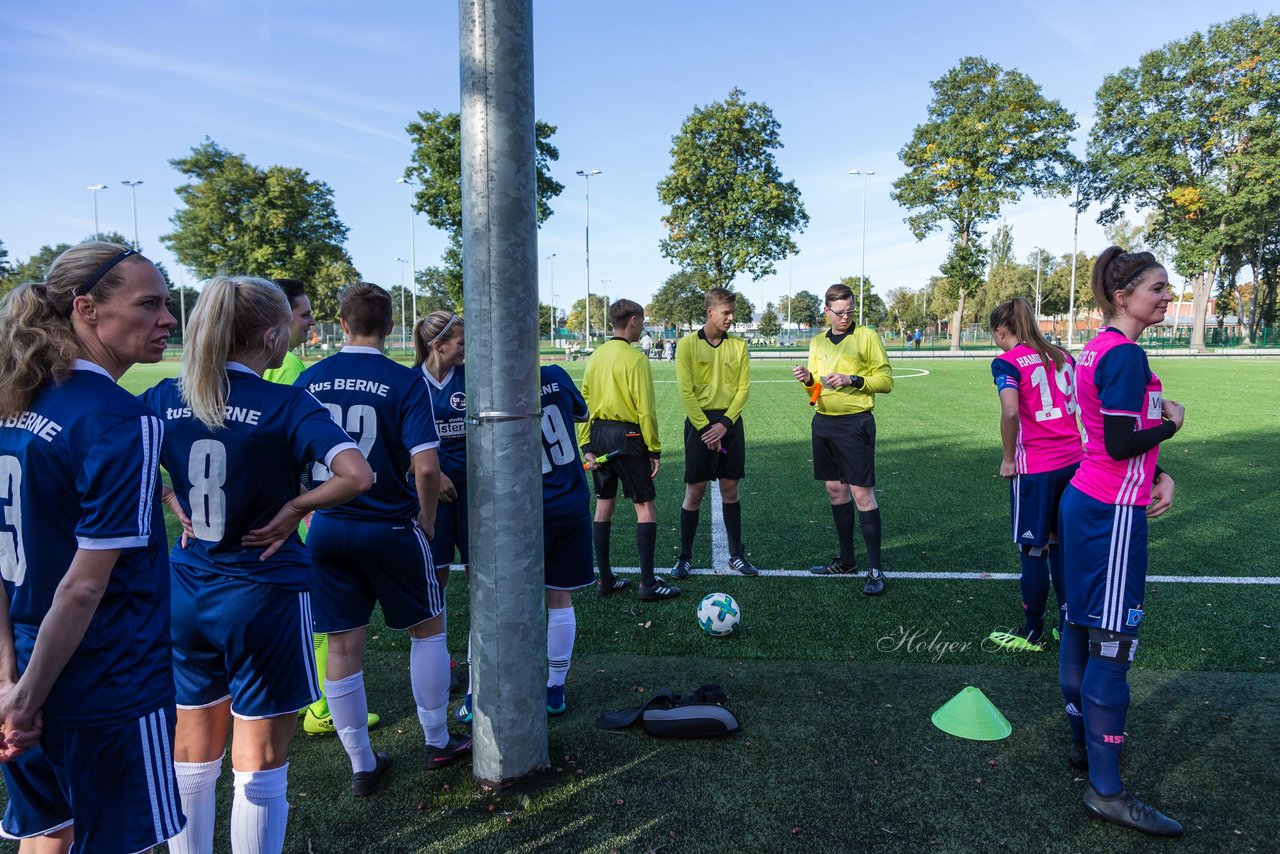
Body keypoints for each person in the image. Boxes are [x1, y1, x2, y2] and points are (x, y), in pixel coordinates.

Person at [142, 275, 373, 854]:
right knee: (259, 769)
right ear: (270, 336)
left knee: (191, 760)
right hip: (263, 594)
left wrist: (173, 501)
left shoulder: (163, 397)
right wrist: (295, 506)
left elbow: (125, 468)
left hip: (187, 589)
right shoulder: (285, 400)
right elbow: (357, 475)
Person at [0, 242, 184, 852]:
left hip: (26, 664)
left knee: (46, 835)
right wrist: (26, 700)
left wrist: (12, 684)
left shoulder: (15, 404)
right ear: (87, 309)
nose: (168, 319)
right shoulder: (118, 419)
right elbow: (84, 585)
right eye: (150, 304)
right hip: (107, 683)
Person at [299, 283, 469, 796]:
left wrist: (305, 510)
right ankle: (437, 740)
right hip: (391, 526)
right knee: (428, 630)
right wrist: (428, 518)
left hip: (327, 529)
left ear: (342, 324)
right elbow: (425, 465)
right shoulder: (402, 380)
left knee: (345, 646)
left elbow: (291, 458)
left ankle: (362, 763)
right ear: (392, 326)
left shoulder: (310, 378)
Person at [1057, 247, 1184, 837]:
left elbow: (1118, 435)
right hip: (1110, 513)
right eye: (1157, 288)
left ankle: (1086, 744)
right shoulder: (1127, 354)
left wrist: (1159, 470)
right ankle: (1106, 791)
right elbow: (1117, 442)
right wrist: (1174, 423)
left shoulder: (1100, 348)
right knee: (1111, 639)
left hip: (1091, 499)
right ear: (1122, 296)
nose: (1167, 296)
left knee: (1080, 627)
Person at [261, 278, 380, 739]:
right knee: (320, 612)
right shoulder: (289, 363)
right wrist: (307, 502)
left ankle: (283, 694)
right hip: (301, 503)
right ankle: (319, 706)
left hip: (257, 504)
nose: (311, 322)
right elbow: (300, 440)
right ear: (278, 317)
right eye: (304, 314)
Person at [986, 297, 1082, 653]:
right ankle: (1068, 625)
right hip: (1074, 463)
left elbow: (1011, 413)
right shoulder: (1062, 355)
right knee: (1060, 546)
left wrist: (1008, 459)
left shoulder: (1006, 362)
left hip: (1036, 468)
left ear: (1000, 331)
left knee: (1034, 549)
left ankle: (1032, 631)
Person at [793, 283, 893, 595]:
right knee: (836, 493)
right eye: (839, 312)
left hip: (855, 425)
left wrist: (853, 379)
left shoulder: (866, 337)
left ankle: (875, 570)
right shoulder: (818, 341)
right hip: (823, 424)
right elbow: (815, 391)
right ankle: (847, 560)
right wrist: (808, 380)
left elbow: (886, 381)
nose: (845, 317)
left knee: (862, 495)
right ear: (826, 311)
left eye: (849, 311)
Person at [580, 299, 678, 600]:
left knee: (603, 504)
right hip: (628, 436)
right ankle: (648, 584)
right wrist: (654, 450)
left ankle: (605, 579)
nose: (644, 327)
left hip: (598, 435)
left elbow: (583, 403)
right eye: (643, 321)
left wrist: (586, 444)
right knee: (645, 507)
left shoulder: (595, 356)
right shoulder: (636, 360)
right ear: (633, 321)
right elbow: (645, 410)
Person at [672, 287, 756, 578]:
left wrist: (725, 424)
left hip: (729, 424)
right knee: (694, 492)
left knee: (730, 490)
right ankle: (684, 557)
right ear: (710, 312)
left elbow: (744, 388)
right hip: (700, 425)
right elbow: (685, 391)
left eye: (732, 313)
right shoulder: (686, 346)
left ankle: (736, 555)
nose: (731, 318)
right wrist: (706, 429)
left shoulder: (739, 346)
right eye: (726, 313)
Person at [413, 312, 472, 720]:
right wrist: (436, 476)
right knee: (437, 581)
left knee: (481, 579)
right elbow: (399, 444)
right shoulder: (411, 383)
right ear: (438, 346)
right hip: (430, 496)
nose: (467, 350)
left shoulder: (471, 379)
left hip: (477, 497)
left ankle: (478, 664)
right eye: (461, 343)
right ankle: (443, 662)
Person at [537, 363, 596, 714]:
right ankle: (555, 688)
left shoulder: (491, 383)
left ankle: (475, 691)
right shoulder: (556, 373)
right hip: (569, 497)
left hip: (523, 508)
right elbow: (581, 412)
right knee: (560, 599)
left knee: (498, 604)